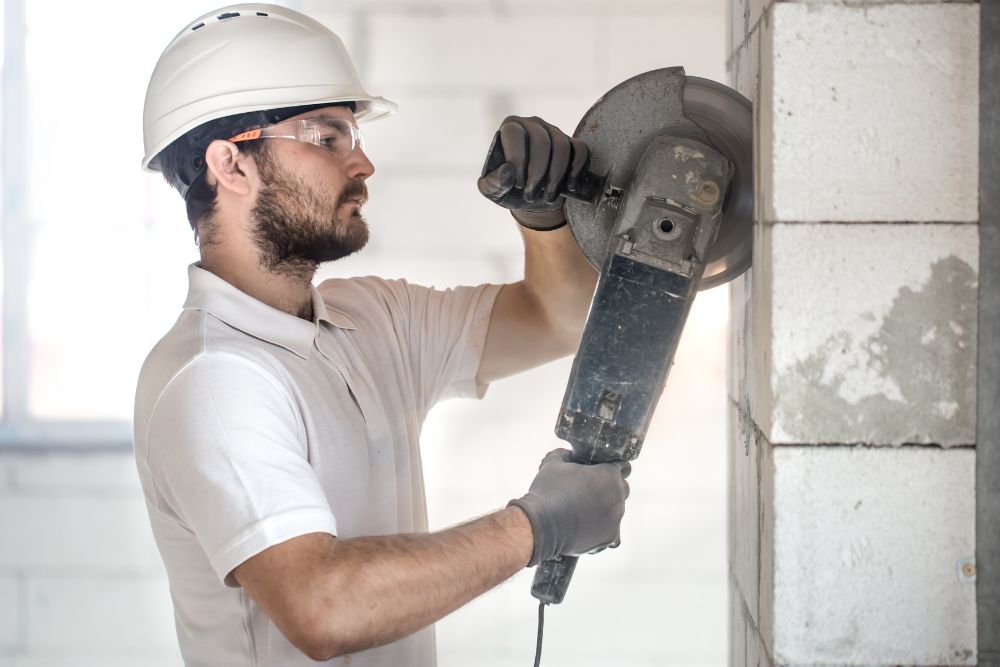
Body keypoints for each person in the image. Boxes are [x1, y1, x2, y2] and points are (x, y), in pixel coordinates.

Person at [133, 5, 629, 666]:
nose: (363, 162)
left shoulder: (371, 319)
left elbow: (555, 317)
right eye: (327, 137)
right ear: (233, 164)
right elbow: (321, 605)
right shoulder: (212, 379)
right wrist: (536, 525)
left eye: (354, 135)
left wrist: (543, 216)